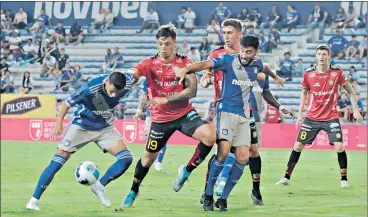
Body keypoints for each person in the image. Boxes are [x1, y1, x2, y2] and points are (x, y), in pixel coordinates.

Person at [121, 24, 216, 208]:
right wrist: (128, 76)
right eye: (161, 43)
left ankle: (186, 171)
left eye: (168, 44)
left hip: (184, 114)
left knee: (210, 135)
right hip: (160, 121)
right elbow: (134, 72)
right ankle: (133, 190)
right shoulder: (149, 63)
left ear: (175, 43)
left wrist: (167, 99)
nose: (164, 47)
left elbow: (193, 91)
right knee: (148, 158)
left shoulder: (185, 62)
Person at [174, 35, 268, 211]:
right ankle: (208, 194)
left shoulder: (258, 64)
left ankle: (223, 198)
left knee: (243, 157)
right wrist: (186, 69)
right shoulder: (228, 60)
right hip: (225, 111)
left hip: (244, 116)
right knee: (223, 153)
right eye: (242, 51)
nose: (244, 55)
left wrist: (275, 77)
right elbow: (205, 64)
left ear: (256, 52)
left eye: (249, 52)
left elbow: (264, 71)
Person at [26, 72, 134, 210]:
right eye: (112, 91)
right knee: (58, 161)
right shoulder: (89, 89)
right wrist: (59, 124)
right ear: (107, 82)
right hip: (82, 126)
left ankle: (99, 186)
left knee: (126, 158)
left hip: (104, 127)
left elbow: (136, 73)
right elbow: (65, 104)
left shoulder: (127, 82)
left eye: (117, 92)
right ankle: (34, 201)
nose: (113, 95)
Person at [275, 45, 363, 188]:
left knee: (339, 147)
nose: (321, 57)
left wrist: (356, 110)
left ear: (329, 57)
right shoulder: (308, 74)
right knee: (297, 146)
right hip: (312, 117)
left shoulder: (337, 73)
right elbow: (304, 93)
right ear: (316, 56)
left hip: (331, 117)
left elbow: (351, 91)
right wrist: (299, 113)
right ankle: (286, 177)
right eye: (319, 54)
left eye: (324, 54)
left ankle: (344, 179)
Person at [134, 77, 167, 172]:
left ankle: (158, 163)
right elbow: (143, 95)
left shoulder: (169, 77)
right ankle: (147, 159)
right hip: (151, 113)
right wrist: (139, 110)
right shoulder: (148, 79)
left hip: (165, 113)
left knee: (162, 138)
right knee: (148, 136)